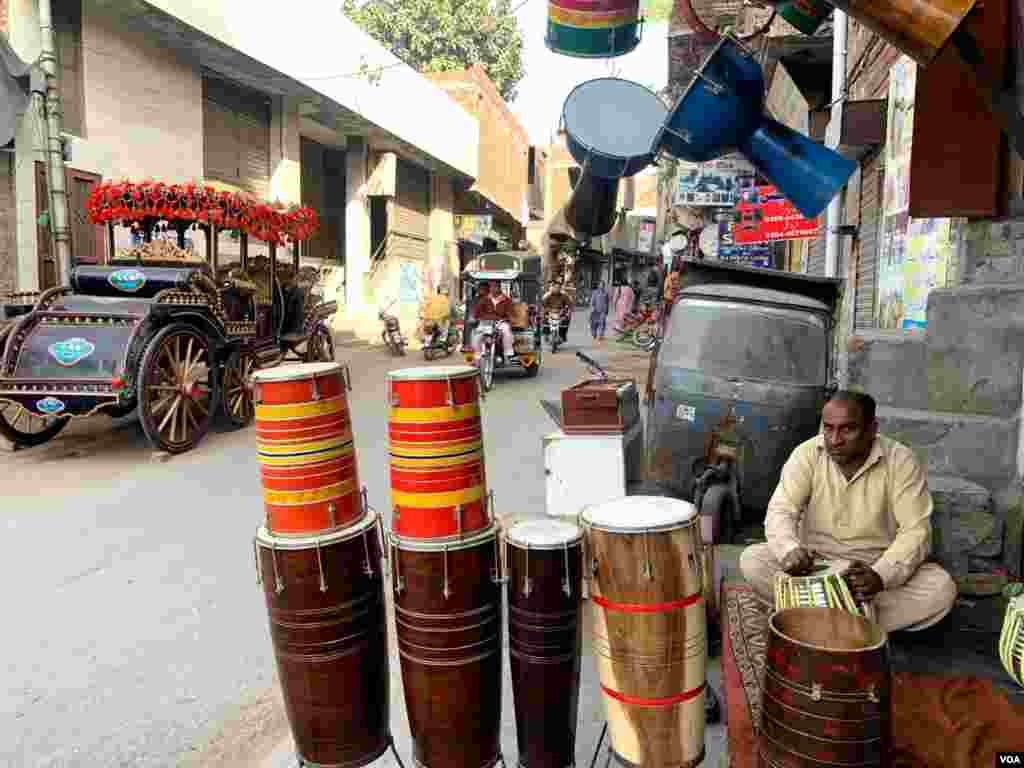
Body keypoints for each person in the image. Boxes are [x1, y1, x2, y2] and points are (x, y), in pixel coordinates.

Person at [739, 391, 958, 634]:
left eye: (847, 429)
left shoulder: (901, 461)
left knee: (940, 588)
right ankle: (855, 622)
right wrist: (790, 550)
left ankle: (816, 616)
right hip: (814, 569)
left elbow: (916, 531)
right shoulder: (807, 454)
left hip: (868, 575)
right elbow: (781, 510)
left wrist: (880, 575)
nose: (835, 439)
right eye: (828, 428)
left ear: (872, 429)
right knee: (753, 560)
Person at [473, 281, 517, 362]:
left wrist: (509, 318)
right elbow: (477, 313)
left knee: (506, 331)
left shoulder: (507, 300)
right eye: (491, 287)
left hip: (500, 322)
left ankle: (508, 353)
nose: (493, 289)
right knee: (477, 334)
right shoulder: (484, 299)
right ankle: (477, 355)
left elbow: (511, 313)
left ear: (499, 288)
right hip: (486, 323)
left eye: (495, 287)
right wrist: (477, 318)